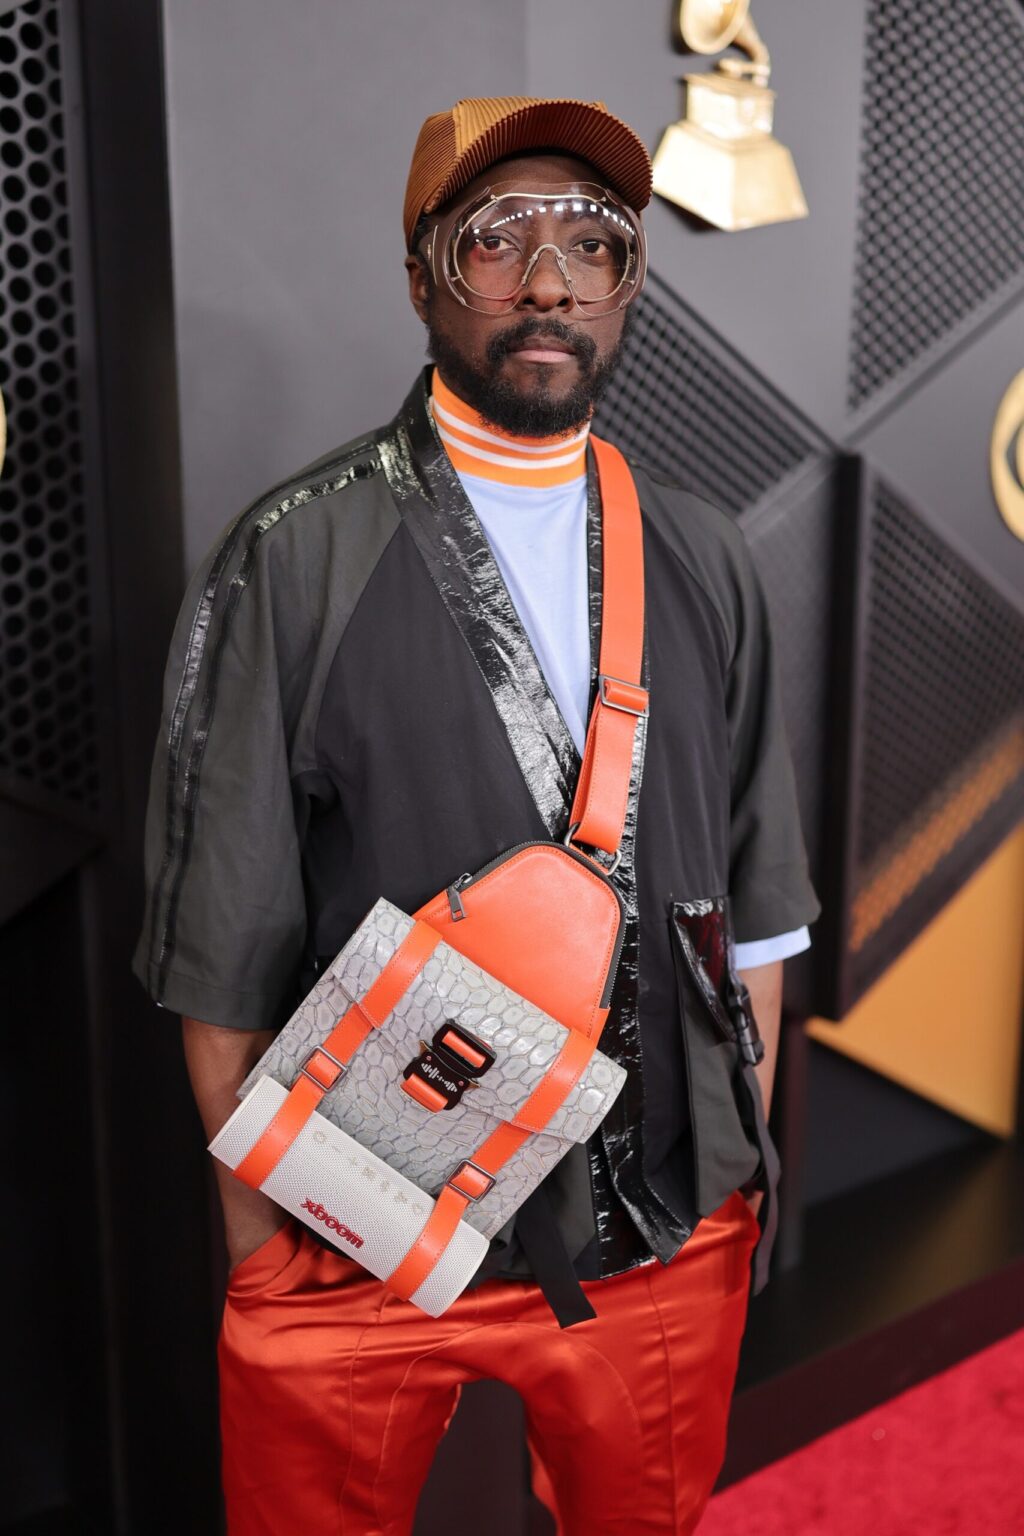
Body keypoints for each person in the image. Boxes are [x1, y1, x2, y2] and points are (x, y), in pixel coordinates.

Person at [134, 96, 820, 1536]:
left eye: (595, 240)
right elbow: (223, 946)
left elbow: (762, 903)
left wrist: (734, 1161)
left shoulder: (703, 551)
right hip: (360, 1233)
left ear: (629, 279)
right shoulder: (296, 553)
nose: (551, 278)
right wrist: (271, 1259)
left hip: (657, 1226)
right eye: (497, 237)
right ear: (422, 273)